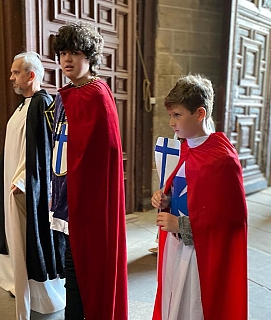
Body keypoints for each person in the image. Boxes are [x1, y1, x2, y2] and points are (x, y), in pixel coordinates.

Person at [151, 74, 248, 320]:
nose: (171, 122)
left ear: (200, 113)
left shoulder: (222, 159)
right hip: (176, 246)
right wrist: (166, 200)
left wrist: (181, 225)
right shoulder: (188, 148)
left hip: (199, 255)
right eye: (170, 115)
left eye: (177, 115)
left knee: (193, 307)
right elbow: (190, 194)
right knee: (173, 302)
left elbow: (230, 221)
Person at [0, 51, 66, 320]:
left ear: (31, 75)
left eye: (16, 72)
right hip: (15, 186)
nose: (11, 77)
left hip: (28, 190)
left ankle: (42, 297)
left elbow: (42, 150)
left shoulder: (42, 104)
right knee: (16, 240)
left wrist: (23, 181)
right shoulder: (23, 105)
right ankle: (21, 286)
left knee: (31, 241)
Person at [50, 22, 128, 320]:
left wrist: (81, 194)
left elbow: (103, 155)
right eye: (63, 53)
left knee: (86, 267)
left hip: (90, 201)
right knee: (72, 265)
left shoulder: (96, 94)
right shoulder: (66, 95)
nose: (67, 59)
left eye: (75, 52)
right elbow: (60, 147)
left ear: (90, 57)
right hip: (68, 196)